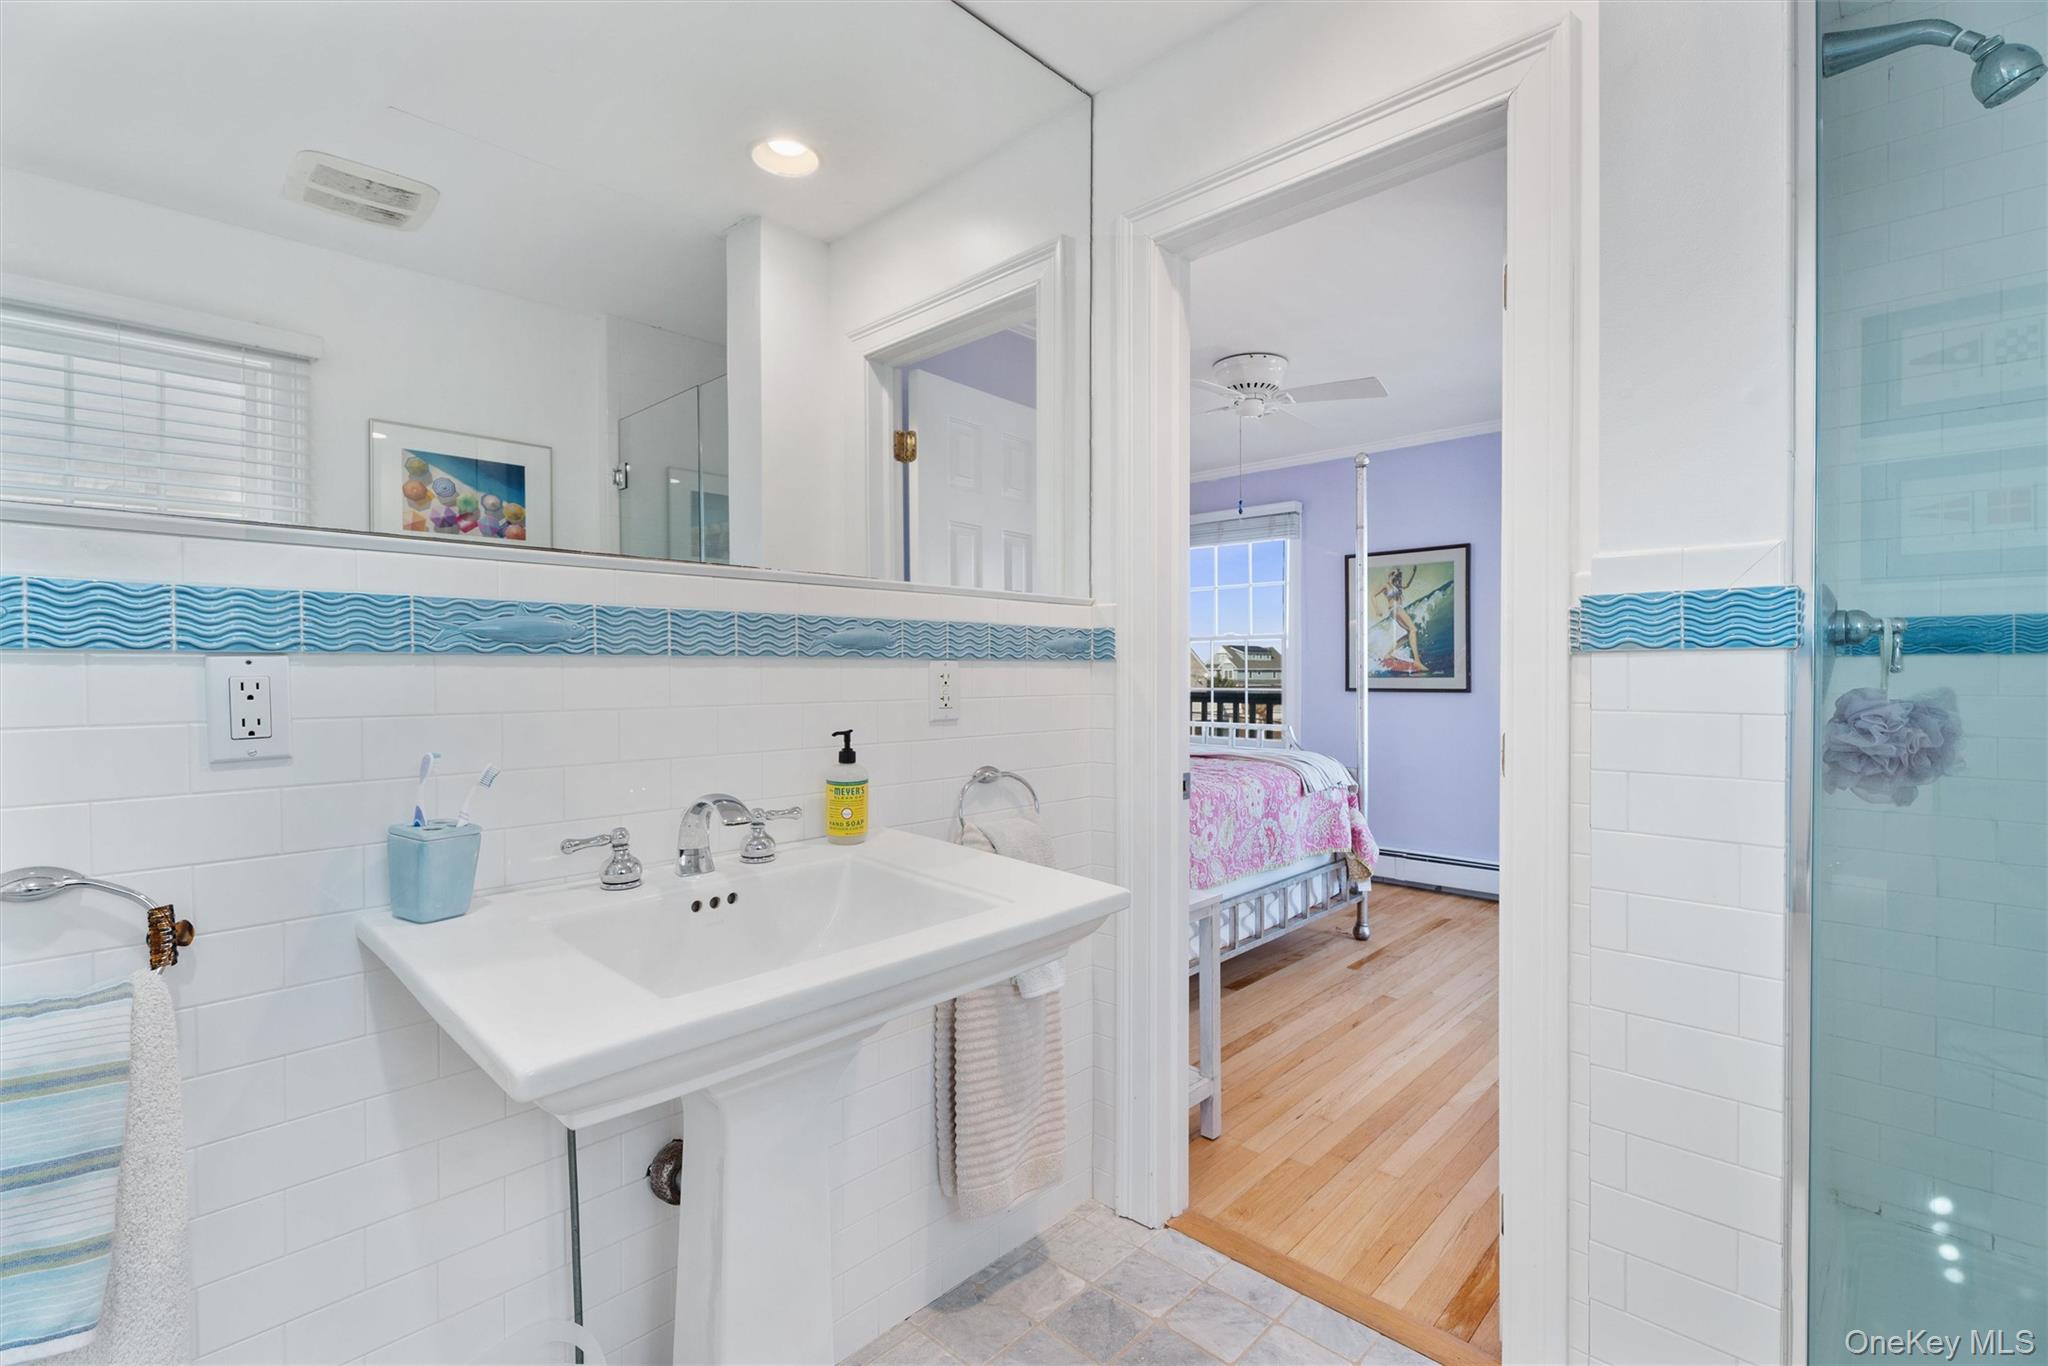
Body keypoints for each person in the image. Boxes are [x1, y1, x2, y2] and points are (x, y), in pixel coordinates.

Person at [1373, 566, 1425, 671]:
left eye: (1397, 575)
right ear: (1390, 575)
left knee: (1408, 633)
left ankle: (1388, 653)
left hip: (1397, 609)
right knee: (1413, 630)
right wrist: (1377, 609)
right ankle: (1417, 661)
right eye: (1393, 574)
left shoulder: (1397, 586)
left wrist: (1413, 573)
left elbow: (1407, 585)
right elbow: (1373, 596)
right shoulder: (1386, 585)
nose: (1395, 576)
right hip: (1395, 609)